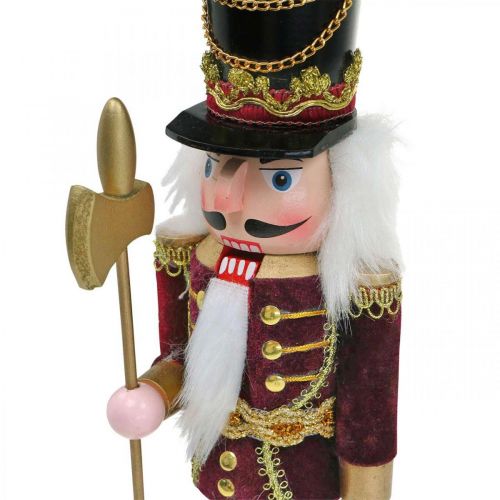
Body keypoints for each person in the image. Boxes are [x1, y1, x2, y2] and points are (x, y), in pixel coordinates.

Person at [108, 1, 402, 498]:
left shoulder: (359, 287)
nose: (228, 198)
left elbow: (368, 415)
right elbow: (178, 358)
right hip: (214, 480)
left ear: (345, 182)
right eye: (215, 165)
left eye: (280, 177)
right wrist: (152, 395)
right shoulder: (192, 256)